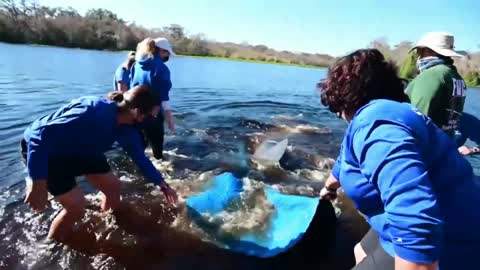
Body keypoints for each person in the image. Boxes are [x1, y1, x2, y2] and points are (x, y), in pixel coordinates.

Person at [318, 49, 480, 270]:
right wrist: (330, 186)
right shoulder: (389, 113)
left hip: (449, 243)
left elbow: (416, 221)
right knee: (360, 250)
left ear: (342, 96)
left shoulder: (377, 127)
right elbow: (346, 156)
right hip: (443, 216)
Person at [22, 85, 178, 243]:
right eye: (151, 116)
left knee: (113, 187)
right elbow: (38, 137)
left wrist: (162, 184)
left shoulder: (127, 129)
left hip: (84, 148)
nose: (153, 120)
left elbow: (140, 158)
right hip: (49, 153)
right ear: (137, 112)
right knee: (76, 207)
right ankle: (51, 243)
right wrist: (37, 183)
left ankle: (104, 222)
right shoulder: (93, 113)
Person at [405, 32, 479, 155]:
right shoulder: (456, 77)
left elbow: (416, 119)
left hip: (425, 154)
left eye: (420, 51)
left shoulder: (432, 75)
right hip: (445, 152)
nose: (418, 55)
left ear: (431, 51)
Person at [130, 37, 175, 160]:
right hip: (153, 113)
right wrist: (170, 119)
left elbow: (131, 90)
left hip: (136, 112)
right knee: (157, 147)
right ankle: (159, 169)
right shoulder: (162, 69)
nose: (168, 56)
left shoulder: (136, 64)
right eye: (167, 53)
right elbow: (164, 98)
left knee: (139, 145)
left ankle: (138, 167)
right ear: (161, 51)